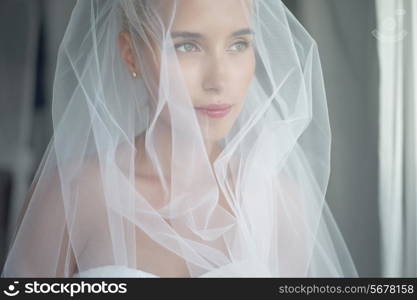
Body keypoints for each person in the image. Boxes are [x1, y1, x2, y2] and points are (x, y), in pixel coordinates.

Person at [1, 0, 358, 278]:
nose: (219, 80)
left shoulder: (280, 202)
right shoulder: (70, 196)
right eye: (187, 46)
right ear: (130, 54)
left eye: (238, 44)